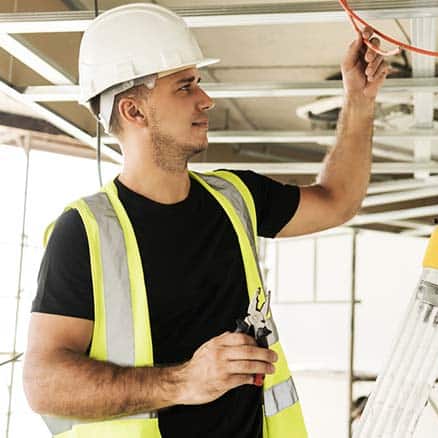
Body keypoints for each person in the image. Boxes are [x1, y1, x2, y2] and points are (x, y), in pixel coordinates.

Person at [22, 3, 388, 438]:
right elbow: (44, 384)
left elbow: (337, 201)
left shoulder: (236, 197)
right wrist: (183, 382)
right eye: (185, 86)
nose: (206, 99)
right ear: (134, 111)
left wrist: (359, 103)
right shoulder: (85, 232)